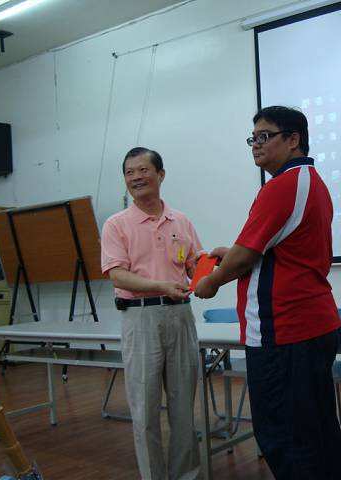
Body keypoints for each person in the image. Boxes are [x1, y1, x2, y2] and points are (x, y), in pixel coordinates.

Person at [194, 106, 341, 479]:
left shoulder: (282, 186)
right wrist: (233, 254)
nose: (256, 145)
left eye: (265, 136)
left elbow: (246, 255)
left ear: (293, 140)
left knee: (285, 438)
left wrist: (211, 281)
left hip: (286, 331)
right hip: (309, 326)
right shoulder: (311, 182)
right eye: (253, 138)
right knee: (316, 432)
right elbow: (275, 251)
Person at [101, 147, 201, 480]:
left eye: (143, 170)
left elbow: (194, 265)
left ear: (160, 174)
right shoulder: (117, 224)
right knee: (144, 409)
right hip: (140, 317)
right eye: (129, 173)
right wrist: (160, 285)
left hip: (180, 316)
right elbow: (118, 275)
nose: (136, 177)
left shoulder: (181, 221)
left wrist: (215, 267)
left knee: (183, 407)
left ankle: (186, 475)